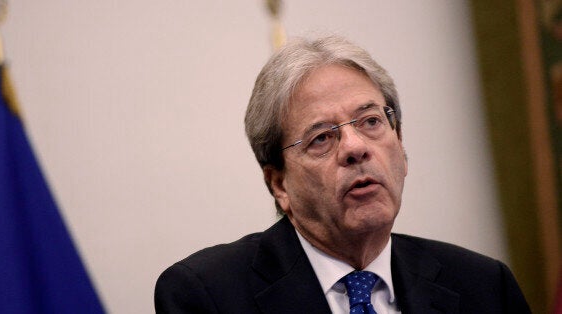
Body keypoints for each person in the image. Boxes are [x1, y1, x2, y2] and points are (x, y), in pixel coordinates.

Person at [154, 35, 531, 314]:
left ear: (399, 141)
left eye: (370, 121)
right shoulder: (206, 296)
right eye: (321, 138)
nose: (355, 148)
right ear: (279, 183)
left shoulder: (484, 286)